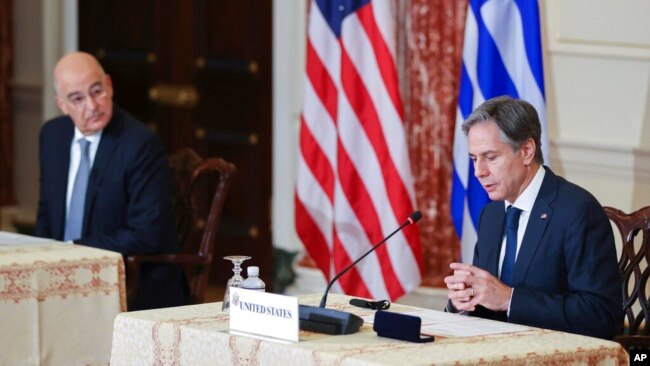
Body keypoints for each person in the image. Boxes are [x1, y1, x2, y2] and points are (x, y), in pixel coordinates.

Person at [444, 96, 621, 339]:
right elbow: (489, 304)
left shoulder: (577, 211)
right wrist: (463, 300)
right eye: (474, 159)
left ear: (527, 151)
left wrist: (509, 299)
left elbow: (601, 315)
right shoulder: (492, 215)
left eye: (491, 157)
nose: (478, 172)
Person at [35, 51, 188, 310]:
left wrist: (74, 249)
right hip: (62, 282)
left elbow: (147, 234)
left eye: (97, 91)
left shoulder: (140, 145)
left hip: (132, 284)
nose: (92, 106)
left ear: (109, 84)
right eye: (77, 99)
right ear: (62, 104)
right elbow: (46, 214)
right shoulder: (52, 136)